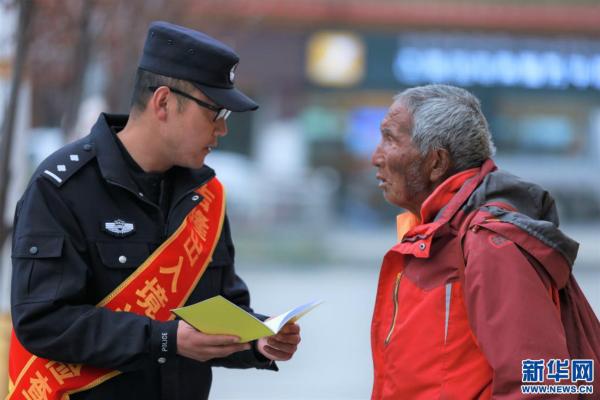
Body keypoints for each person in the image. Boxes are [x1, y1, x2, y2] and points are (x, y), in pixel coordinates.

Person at [9, 21, 300, 400]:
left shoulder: (205, 195)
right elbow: (43, 321)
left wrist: (259, 339)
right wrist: (164, 340)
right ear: (163, 102)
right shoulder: (62, 188)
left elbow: (221, 309)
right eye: (216, 113)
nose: (221, 130)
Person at [370, 84, 599, 399]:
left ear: (436, 162)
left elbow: (543, 384)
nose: (375, 157)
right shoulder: (436, 233)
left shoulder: (490, 244)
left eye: (390, 139)